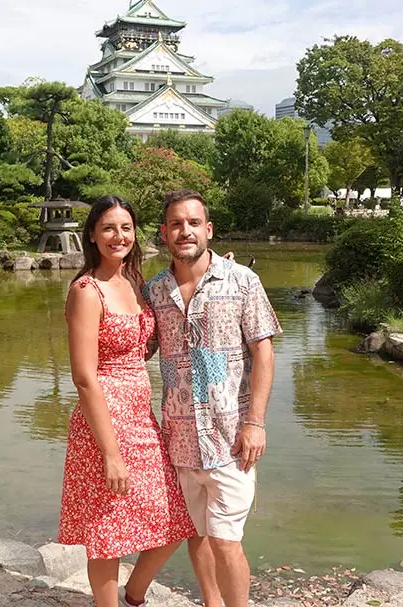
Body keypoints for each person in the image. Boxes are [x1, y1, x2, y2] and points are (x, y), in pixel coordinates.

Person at [144, 189, 282, 607]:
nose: (184, 231)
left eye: (192, 223)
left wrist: (255, 423)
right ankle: (211, 602)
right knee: (197, 532)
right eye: (175, 224)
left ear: (208, 229)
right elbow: (136, 350)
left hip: (230, 438)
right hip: (180, 438)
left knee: (226, 540)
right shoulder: (154, 291)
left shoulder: (242, 281)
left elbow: (263, 351)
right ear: (164, 233)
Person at [58, 195, 198, 607]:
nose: (118, 236)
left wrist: (214, 270)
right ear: (92, 235)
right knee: (107, 529)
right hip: (103, 421)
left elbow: (143, 345)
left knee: (176, 515)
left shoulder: (135, 283)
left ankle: (134, 594)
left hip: (141, 417)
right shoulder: (87, 291)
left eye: (125, 228)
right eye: (108, 228)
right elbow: (84, 377)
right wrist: (110, 453)